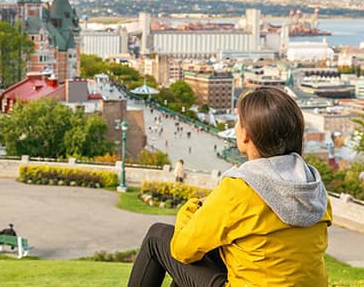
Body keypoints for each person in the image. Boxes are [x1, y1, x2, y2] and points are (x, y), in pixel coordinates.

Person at [127, 87, 332, 287]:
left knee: (157, 236)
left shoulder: (240, 190)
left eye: (239, 122)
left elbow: (181, 249)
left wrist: (193, 208)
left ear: (246, 135)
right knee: (213, 250)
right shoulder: (313, 187)